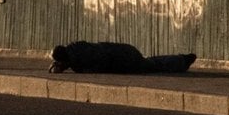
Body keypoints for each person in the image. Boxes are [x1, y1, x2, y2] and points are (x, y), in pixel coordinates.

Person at [48, 40, 197, 74]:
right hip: (123, 52)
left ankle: (183, 60)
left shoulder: (80, 58)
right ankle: (183, 59)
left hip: (125, 59)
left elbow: (101, 64)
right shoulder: (76, 50)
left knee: (154, 65)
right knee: (152, 63)